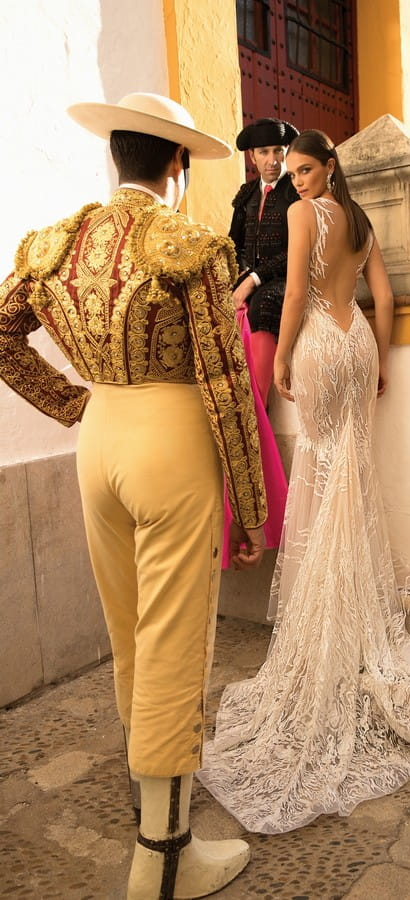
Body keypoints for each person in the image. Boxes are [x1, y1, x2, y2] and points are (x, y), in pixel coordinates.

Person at [0, 93, 267, 898]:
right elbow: (223, 383)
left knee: (130, 634)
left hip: (102, 440)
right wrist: (248, 507)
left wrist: (74, 403)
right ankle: (164, 857)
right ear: (176, 164)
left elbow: (0, 334)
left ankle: (151, 807)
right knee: (175, 642)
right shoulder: (192, 244)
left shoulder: (55, 242)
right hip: (174, 441)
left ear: (115, 155)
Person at [198, 130, 410, 834]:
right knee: (349, 471)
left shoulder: (299, 215)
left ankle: (329, 624)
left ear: (330, 165)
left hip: (318, 342)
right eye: (291, 172)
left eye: (306, 169)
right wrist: (379, 361)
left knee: (321, 470)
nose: (297, 181)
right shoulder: (364, 221)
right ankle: (358, 616)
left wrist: (282, 357)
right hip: (356, 343)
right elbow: (385, 298)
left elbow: (291, 302)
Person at [229, 117, 299, 408]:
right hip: (252, 277)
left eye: (278, 150)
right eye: (264, 152)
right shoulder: (246, 195)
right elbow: (234, 243)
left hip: (286, 278)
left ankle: (259, 404)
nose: (272, 160)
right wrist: (243, 269)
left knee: (263, 302)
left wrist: (254, 279)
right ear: (252, 156)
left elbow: (296, 249)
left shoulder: (295, 191)